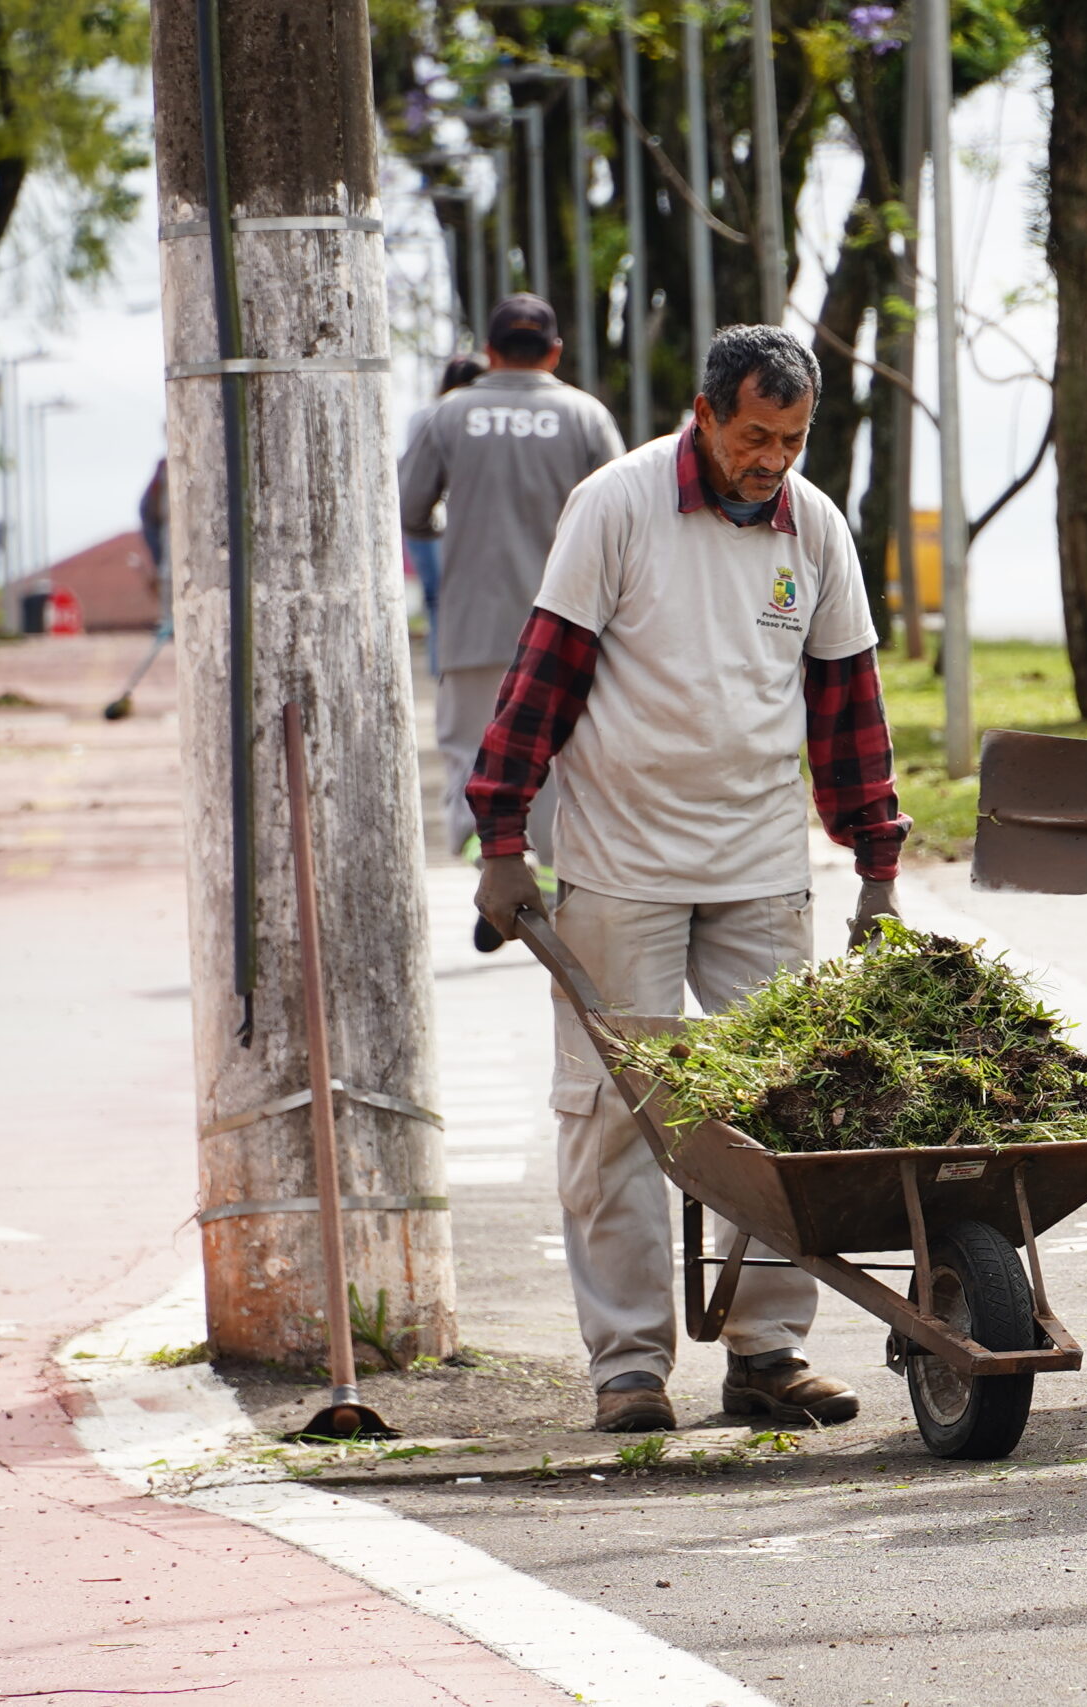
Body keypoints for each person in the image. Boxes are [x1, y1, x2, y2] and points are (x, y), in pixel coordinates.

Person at [468, 325, 908, 1435]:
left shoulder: (813, 527)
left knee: (782, 1103)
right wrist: (503, 842)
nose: (772, 459)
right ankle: (628, 1365)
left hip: (761, 862)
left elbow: (847, 708)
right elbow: (544, 682)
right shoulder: (616, 508)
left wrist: (877, 865)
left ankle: (767, 1350)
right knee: (616, 1114)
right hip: (624, 865)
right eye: (755, 435)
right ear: (704, 415)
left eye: (793, 439)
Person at [400, 297, 621, 870]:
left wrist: (450, 527)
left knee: (470, 749)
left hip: (472, 622)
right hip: (569, 625)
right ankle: (544, 873)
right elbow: (624, 518)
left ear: (490, 351)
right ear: (554, 352)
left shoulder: (447, 416)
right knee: (553, 755)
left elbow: (408, 509)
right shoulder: (585, 416)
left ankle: (488, 857)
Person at [405, 351, 489, 675]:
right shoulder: (468, 415)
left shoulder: (425, 415)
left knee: (436, 601)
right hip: (456, 522)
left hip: (426, 523)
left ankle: (441, 670)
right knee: (456, 601)